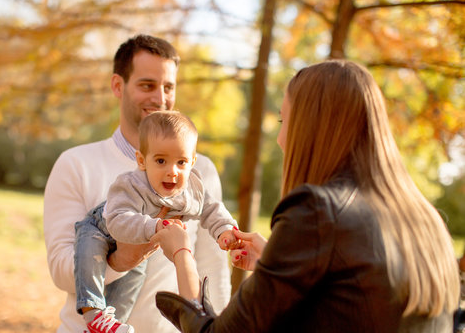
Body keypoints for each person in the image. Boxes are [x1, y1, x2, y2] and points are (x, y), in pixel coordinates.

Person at [152, 60, 460, 332]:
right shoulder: (427, 221)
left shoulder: (317, 211)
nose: (281, 139)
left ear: (310, 129)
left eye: (284, 122)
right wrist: (272, 267)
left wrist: (181, 253)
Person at [43, 34, 232, 333]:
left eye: (168, 87)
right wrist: (121, 259)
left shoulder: (199, 172)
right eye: (147, 85)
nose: (160, 98)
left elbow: (214, 269)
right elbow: (61, 272)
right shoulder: (76, 164)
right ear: (118, 86)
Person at [73, 111, 237, 332]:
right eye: (160, 161)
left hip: (137, 239)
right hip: (101, 227)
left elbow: (212, 209)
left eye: (181, 162)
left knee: (132, 283)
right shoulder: (131, 185)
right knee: (89, 256)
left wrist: (224, 230)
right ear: (142, 161)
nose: (172, 171)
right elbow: (117, 220)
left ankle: (107, 326)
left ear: (192, 162)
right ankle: (92, 314)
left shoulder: (191, 191)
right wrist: (155, 226)